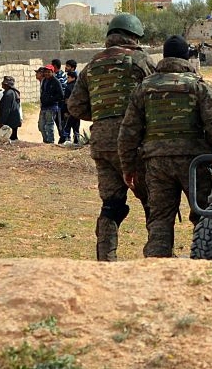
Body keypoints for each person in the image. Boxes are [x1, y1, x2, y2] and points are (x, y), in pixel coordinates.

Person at [118, 35, 212, 258]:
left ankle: (157, 266)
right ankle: (207, 262)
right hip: (195, 164)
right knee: (205, 215)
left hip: (156, 164)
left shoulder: (144, 88)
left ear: (165, 57)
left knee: (160, 218)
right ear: (186, 56)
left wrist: (128, 167)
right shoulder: (197, 86)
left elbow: (128, 132)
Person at [66, 13, 157, 261]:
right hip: (134, 144)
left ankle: (106, 261)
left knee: (111, 205)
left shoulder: (92, 65)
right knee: (154, 203)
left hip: (102, 144)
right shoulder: (140, 60)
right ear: (134, 36)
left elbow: (74, 106)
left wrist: (101, 115)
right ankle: (158, 259)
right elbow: (157, 94)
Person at [0, 76, 23, 141]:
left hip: (9, 121)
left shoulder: (8, 94)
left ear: (7, 85)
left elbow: (6, 109)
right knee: (13, 138)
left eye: (4, 83)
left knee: (8, 139)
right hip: (14, 120)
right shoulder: (14, 92)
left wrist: (2, 121)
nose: (2, 84)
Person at [38, 64, 63, 144]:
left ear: (52, 72)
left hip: (52, 107)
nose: (47, 74)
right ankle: (45, 141)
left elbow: (60, 95)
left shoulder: (56, 82)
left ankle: (50, 141)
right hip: (44, 107)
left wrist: (51, 99)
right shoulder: (44, 81)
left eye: (49, 72)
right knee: (41, 126)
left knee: (49, 125)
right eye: (45, 72)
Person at [60, 70, 82, 146]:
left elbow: (66, 100)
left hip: (70, 110)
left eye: (68, 77)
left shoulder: (68, 87)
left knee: (67, 126)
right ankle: (77, 141)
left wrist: (65, 111)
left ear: (73, 78)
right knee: (76, 127)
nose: (67, 79)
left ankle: (66, 140)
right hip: (77, 111)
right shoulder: (79, 87)